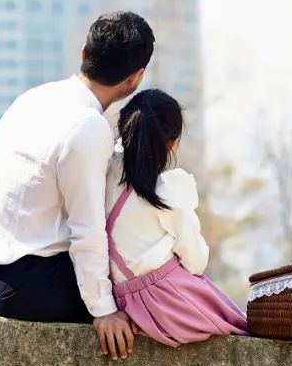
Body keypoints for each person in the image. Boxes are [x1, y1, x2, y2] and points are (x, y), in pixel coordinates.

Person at [0, 11, 153, 360]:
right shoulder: (87, 127)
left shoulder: (33, 98)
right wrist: (103, 310)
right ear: (135, 79)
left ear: (84, 53)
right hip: (30, 288)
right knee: (149, 300)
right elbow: (87, 230)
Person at [104, 89, 248, 346]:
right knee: (240, 326)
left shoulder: (101, 174)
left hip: (120, 300)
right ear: (172, 143)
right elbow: (196, 261)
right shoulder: (167, 189)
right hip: (167, 302)